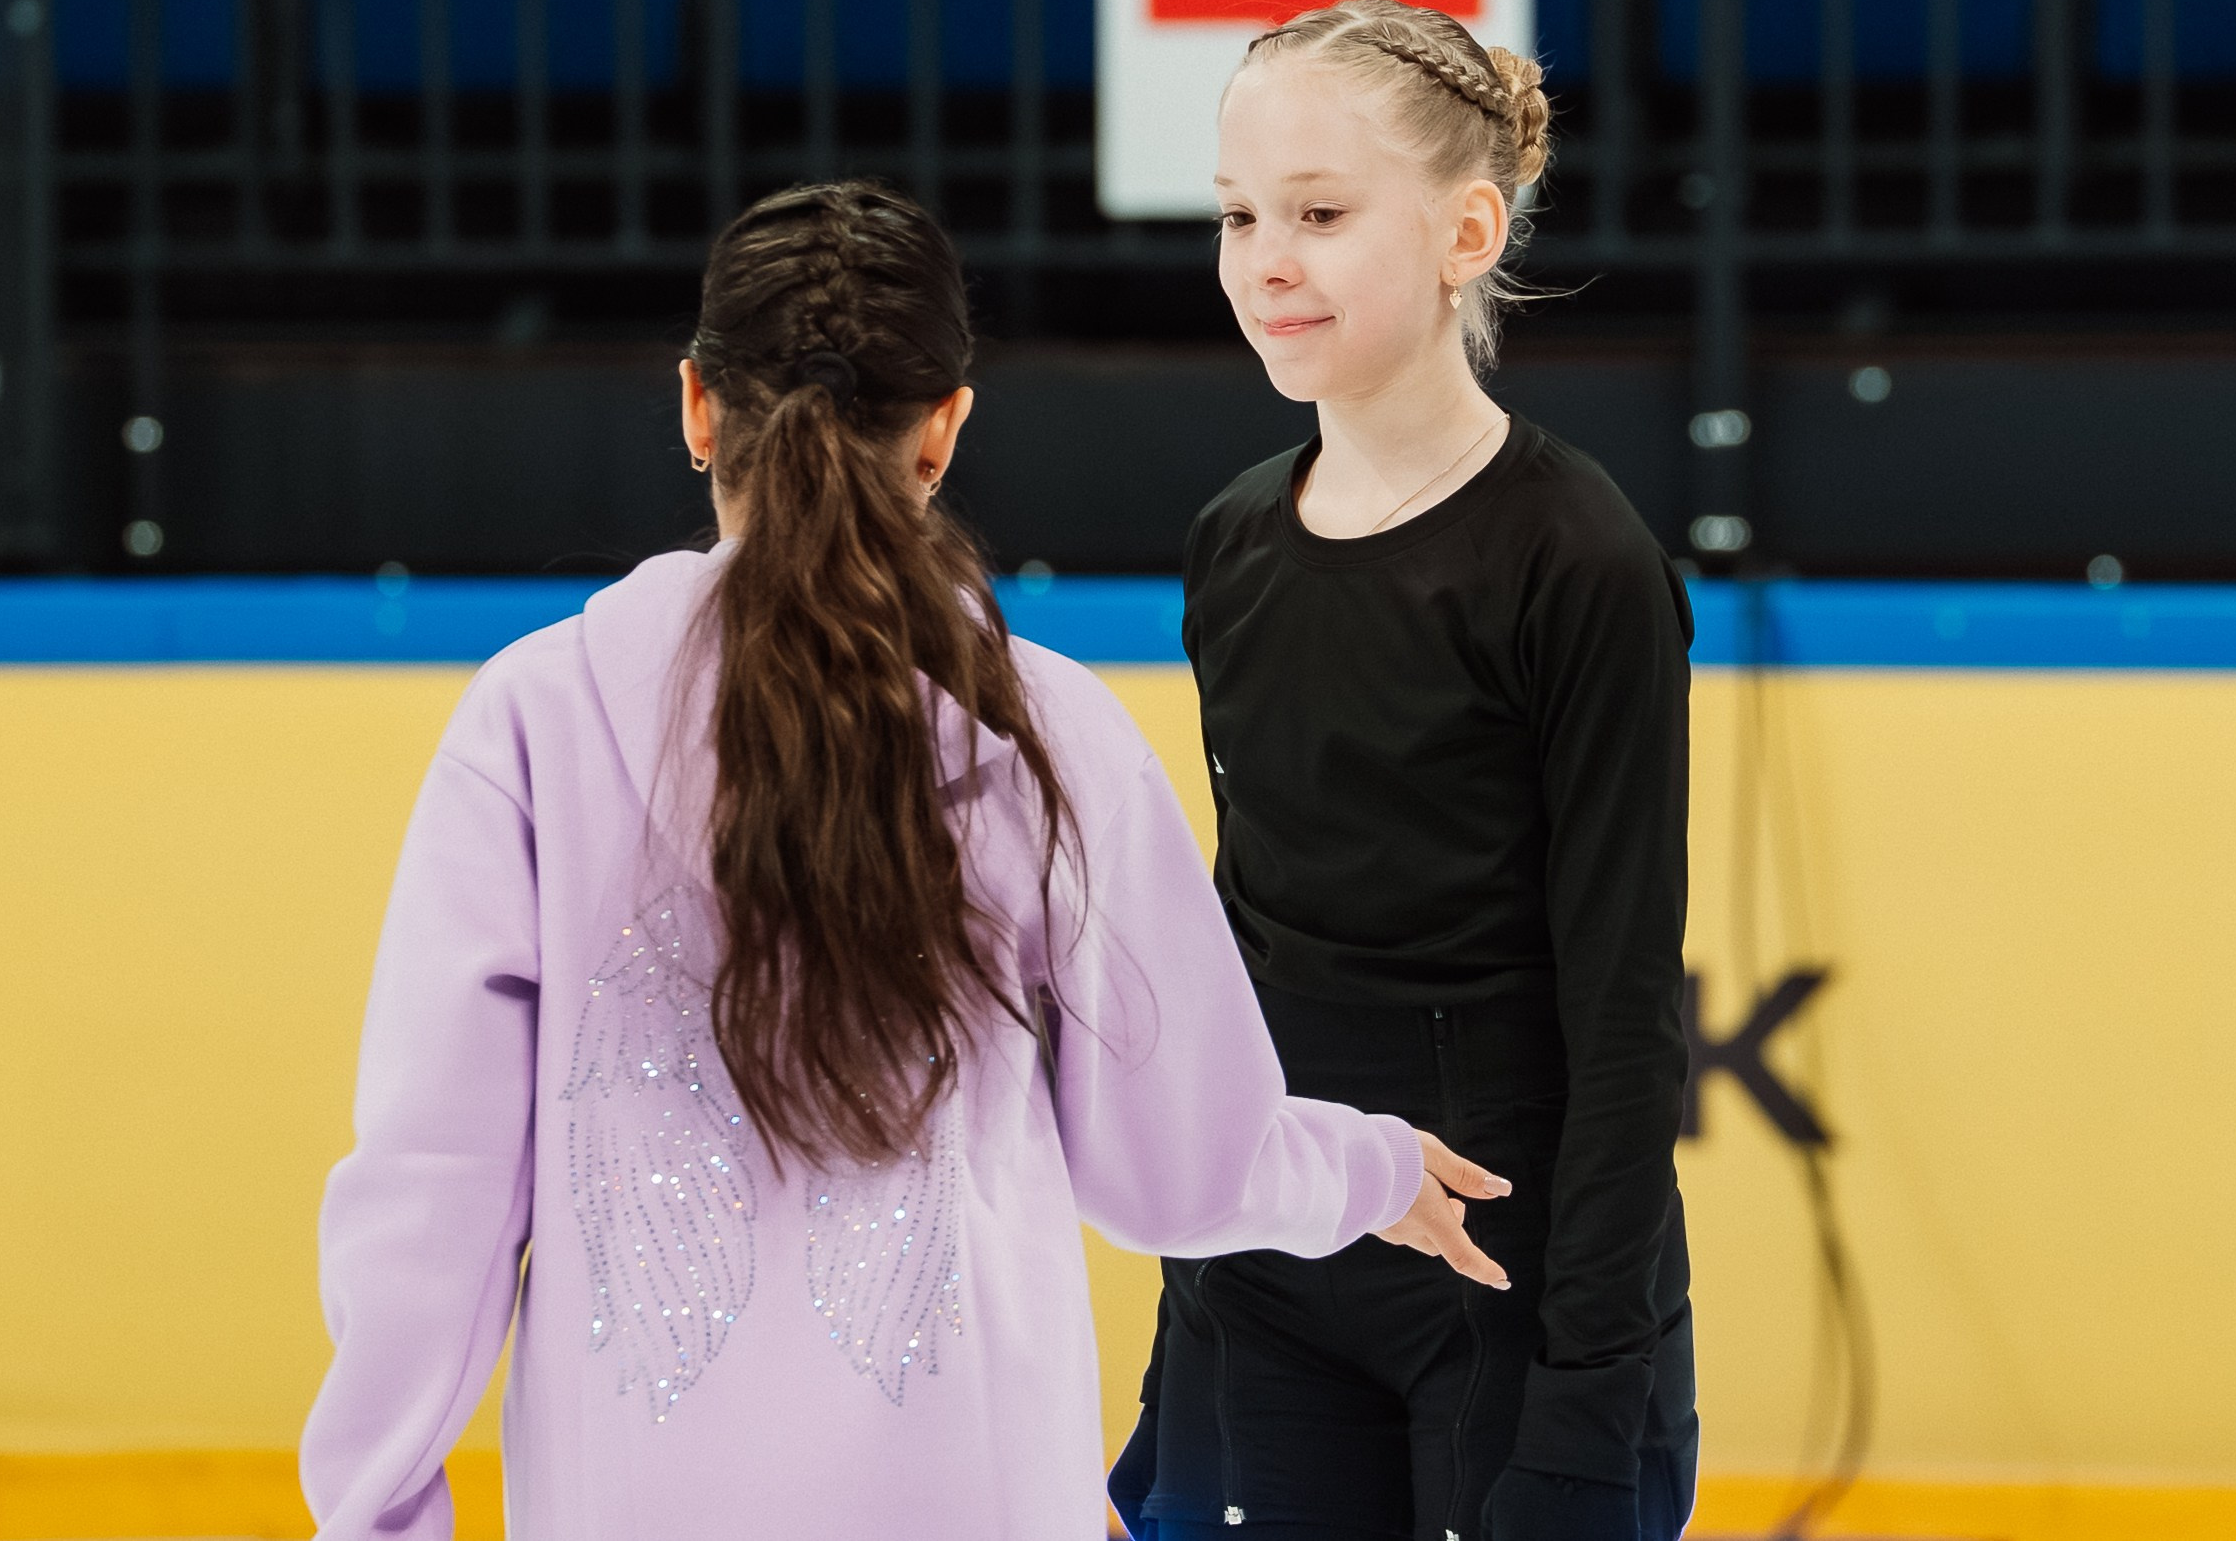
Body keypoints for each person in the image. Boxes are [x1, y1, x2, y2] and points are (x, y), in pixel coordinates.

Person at [299, 180, 1512, 1541]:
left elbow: (434, 1193)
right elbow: (1179, 1167)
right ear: (943, 430)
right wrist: (1371, 1171)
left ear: (699, 408)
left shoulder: (533, 722)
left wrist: (376, 1518)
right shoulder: (1050, 731)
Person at [1105, 1, 1699, 1541]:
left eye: (1318, 214)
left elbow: (1625, 1008)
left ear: (1466, 230)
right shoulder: (1234, 540)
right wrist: (1188, 1342)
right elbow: (1246, 958)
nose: (1265, 261)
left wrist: (1594, 1392)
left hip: (1507, 1298)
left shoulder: (1578, 560)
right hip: (1272, 1279)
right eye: (1239, 216)